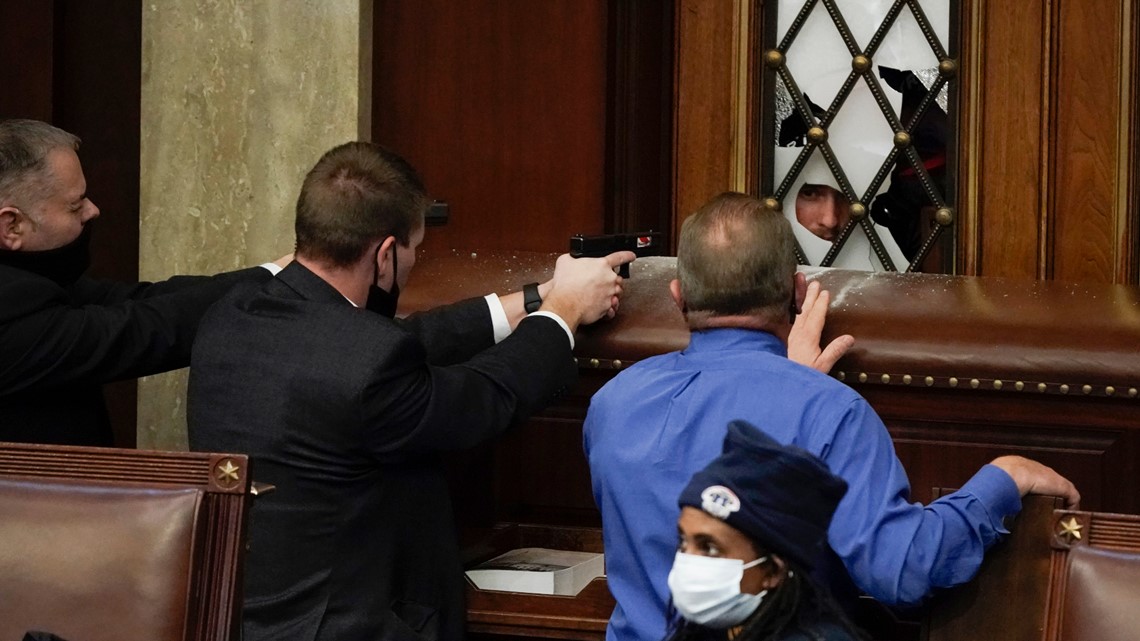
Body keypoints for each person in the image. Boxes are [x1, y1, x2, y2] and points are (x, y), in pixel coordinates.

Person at [186, 141, 634, 641]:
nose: (414, 260)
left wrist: (535, 299)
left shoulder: (234, 313)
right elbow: (483, 397)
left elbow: (389, 345)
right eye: (414, 249)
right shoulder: (366, 363)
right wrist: (566, 312)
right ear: (383, 253)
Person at [583, 191, 1079, 641]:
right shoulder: (827, 410)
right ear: (799, 293)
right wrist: (1001, 480)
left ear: (678, 296)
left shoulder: (612, 402)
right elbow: (901, 570)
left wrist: (794, 386)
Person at [0, 119, 288, 446]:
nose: (93, 210)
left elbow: (142, 300)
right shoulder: (11, 306)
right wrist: (287, 279)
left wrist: (275, 273)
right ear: (12, 226)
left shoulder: (34, 280)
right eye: (75, 205)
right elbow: (142, 329)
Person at [665, 419, 863, 641]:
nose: (687, 562)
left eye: (709, 548)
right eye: (683, 542)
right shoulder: (713, 631)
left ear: (772, 572)